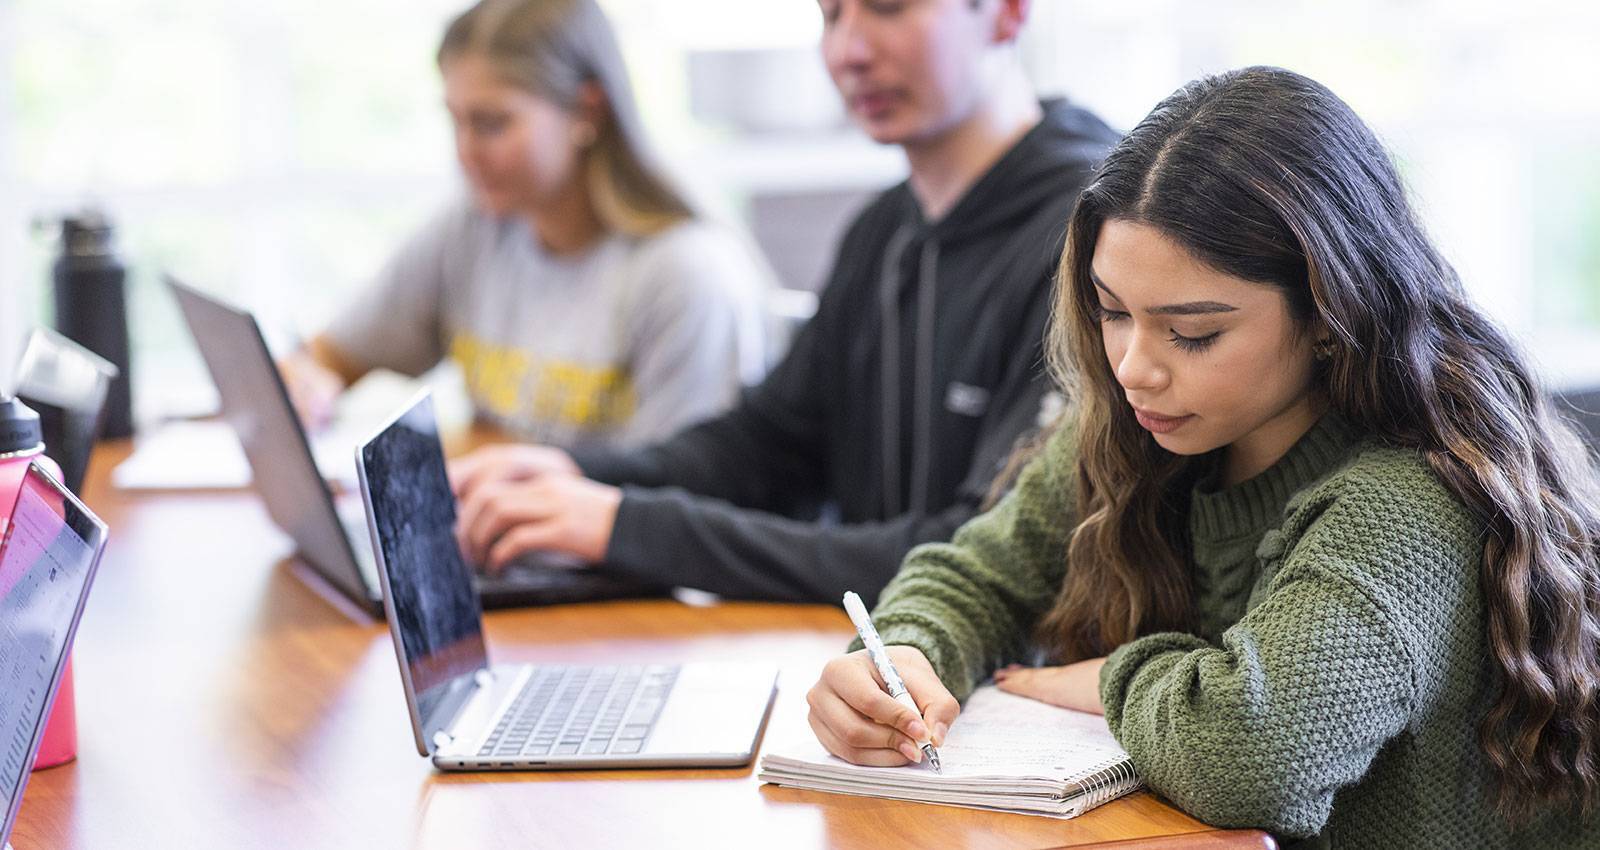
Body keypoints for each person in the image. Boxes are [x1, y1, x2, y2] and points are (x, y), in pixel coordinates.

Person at [804, 67, 1600, 847]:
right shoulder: (1139, 430)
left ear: (1330, 313)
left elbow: (1251, 759)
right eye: (1112, 312)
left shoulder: (1408, 501)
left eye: (1194, 332)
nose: (1133, 367)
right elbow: (975, 576)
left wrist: (1112, 680)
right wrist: (904, 651)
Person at [446, 0, 1119, 602]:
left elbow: (978, 556)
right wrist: (581, 479)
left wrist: (626, 526)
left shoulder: (1092, 242)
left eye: (887, 8)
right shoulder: (886, 229)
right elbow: (767, 445)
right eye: (830, 15)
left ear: (1007, 12)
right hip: (875, 673)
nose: (848, 52)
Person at [282, 0, 767, 452]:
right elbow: (331, 356)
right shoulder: (472, 228)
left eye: (491, 124)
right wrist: (308, 381)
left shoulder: (686, 277)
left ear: (586, 110)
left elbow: (683, 500)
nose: (465, 152)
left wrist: (482, 449)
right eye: (456, 122)